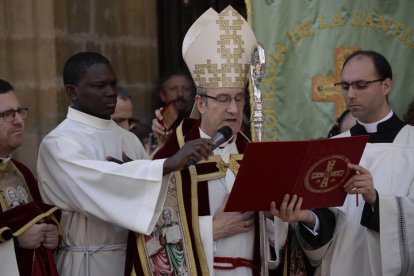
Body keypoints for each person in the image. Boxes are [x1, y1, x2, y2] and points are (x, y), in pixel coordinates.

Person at [125, 6, 278, 276]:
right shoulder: (173, 158)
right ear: (201, 103)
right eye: (222, 99)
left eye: (238, 98)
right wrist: (212, 230)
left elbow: (275, 243)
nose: (233, 109)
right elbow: (150, 239)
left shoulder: (255, 156)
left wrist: (277, 219)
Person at [37, 51, 215, 276]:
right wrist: (165, 164)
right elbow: (96, 183)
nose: (111, 92)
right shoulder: (58, 143)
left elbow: (152, 199)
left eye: (113, 84)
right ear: (73, 92)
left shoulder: (128, 140)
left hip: (134, 259)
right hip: (87, 262)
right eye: (100, 86)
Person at [272, 50, 414, 275]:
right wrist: (308, 218)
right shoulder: (331, 147)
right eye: (346, 86)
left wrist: (376, 200)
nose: (351, 94)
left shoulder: (411, 144)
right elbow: (326, 220)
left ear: (386, 85)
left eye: (360, 85)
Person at [0, 79, 60, 276]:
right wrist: (15, 243)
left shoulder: (22, 172)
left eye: (19, 112)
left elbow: (42, 220)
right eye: (8, 114)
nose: (19, 120)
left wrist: (52, 235)